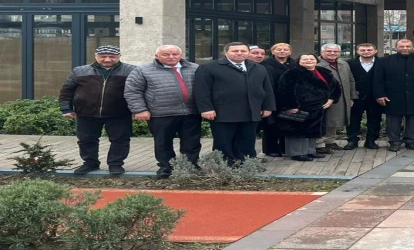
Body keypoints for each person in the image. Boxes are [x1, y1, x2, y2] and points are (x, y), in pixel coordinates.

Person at [125, 45, 202, 179]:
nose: (171, 57)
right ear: (157, 56)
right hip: (161, 113)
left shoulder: (195, 68)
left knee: (192, 143)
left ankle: (190, 167)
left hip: (191, 112)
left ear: (181, 55)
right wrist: (140, 110)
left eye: (175, 54)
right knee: (163, 143)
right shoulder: (143, 70)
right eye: (166, 54)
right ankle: (166, 168)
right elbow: (133, 91)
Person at [193, 42, 276, 164]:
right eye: (235, 51)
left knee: (247, 140)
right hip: (223, 113)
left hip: (250, 111)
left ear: (248, 53)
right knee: (224, 142)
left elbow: (267, 89)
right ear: (226, 52)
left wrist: (268, 107)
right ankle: (226, 165)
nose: (239, 53)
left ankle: (247, 164)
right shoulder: (209, 67)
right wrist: (206, 108)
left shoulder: (258, 68)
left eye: (243, 51)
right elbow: (202, 90)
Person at [59, 45, 136, 175]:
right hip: (86, 112)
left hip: (119, 113)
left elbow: (138, 91)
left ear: (119, 57)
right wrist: (66, 108)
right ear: (96, 56)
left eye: (112, 57)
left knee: (120, 140)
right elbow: (67, 91)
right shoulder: (80, 71)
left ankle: (115, 164)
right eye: (103, 56)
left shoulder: (132, 71)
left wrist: (138, 109)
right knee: (86, 140)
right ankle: (90, 163)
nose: (107, 59)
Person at [274, 54, 341, 161]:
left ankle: (310, 151)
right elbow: (286, 90)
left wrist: (331, 99)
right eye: (305, 59)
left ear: (316, 61)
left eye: (311, 59)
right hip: (300, 107)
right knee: (297, 132)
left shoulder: (323, 72)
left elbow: (336, 86)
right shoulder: (292, 73)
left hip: (318, 108)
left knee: (312, 131)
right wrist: (291, 106)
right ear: (299, 61)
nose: (309, 61)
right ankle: (297, 153)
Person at [373, 39, 414, 151]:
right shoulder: (384, 60)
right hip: (392, 95)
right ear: (396, 48)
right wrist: (379, 94)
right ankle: (394, 142)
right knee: (393, 120)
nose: (405, 48)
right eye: (402, 46)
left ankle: (411, 141)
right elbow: (378, 79)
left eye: (408, 46)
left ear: (413, 47)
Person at [319, 44, 357, 151]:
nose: (332, 53)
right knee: (324, 120)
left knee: (334, 120)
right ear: (322, 52)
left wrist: (351, 97)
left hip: (341, 97)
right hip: (324, 98)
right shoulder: (316, 63)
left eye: (335, 51)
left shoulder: (344, 64)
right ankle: (320, 143)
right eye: (329, 51)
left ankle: (330, 141)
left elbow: (351, 80)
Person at [345, 43, 382, 150]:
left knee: (375, 119)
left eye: (369, 50)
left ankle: (371, 141)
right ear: (357, 51)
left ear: (375, 51)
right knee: (353, 119)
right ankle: (352, 140)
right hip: (356, 96)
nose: (366, 52)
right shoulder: (349, 64)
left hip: (375, 96)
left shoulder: (382, 63)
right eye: (363, 50)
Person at [260, 43, 295, 157]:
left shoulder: (294, 64)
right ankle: (271, 149)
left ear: (290, 52)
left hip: (289, 98)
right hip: (273, 97)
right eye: (279, 49)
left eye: (285, 49)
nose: (282, 51)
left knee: (288, 123)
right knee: (271, 125)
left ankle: (285, 148)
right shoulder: (266, 64)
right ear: (273, 52)